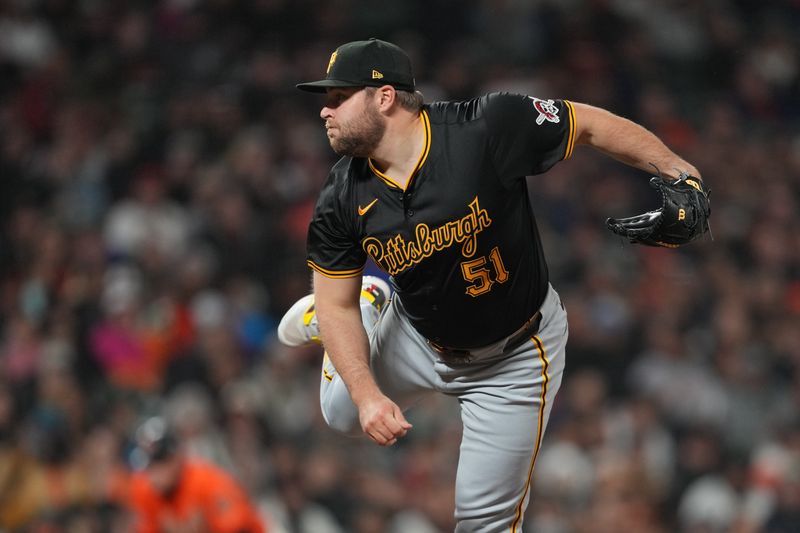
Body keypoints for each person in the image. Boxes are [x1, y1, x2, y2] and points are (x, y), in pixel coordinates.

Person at [278, 38, 703, 532]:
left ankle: (373, 302)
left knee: (486, 526)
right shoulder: (341, 194)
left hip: (514, 356)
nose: (324, 111)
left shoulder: (484, 127)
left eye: (337, 97)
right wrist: (369, 396)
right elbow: (334, 301)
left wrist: (680, 171)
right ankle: (373, 301)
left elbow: (586, 123)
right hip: (416, 335)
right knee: (343, 412)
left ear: (384, 96)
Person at [128, 417, 267, 533]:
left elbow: (241, 529)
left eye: (160, 463)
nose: (154, 474)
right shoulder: (143, 489)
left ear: (177, 457)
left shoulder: (209, 482)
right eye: (149, 467)